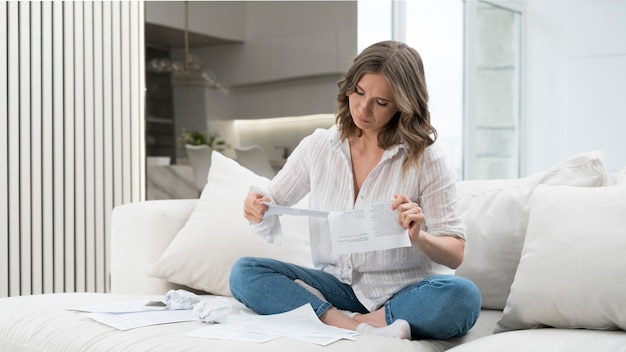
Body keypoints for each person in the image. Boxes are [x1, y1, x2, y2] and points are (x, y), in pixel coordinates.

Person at [229, 40, 481, 340]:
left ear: (403, 105)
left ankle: (357, 320)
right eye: (359, 92)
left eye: (381, 102)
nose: (363, 108)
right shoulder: (319, 146)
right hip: (338, 288)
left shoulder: (427, 159)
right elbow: (272, 199)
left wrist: (418, 235)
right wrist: (255, 204)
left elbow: (454, 254)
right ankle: (351, 325)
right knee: (245, 272)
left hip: (405, 292)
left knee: (462, 297)